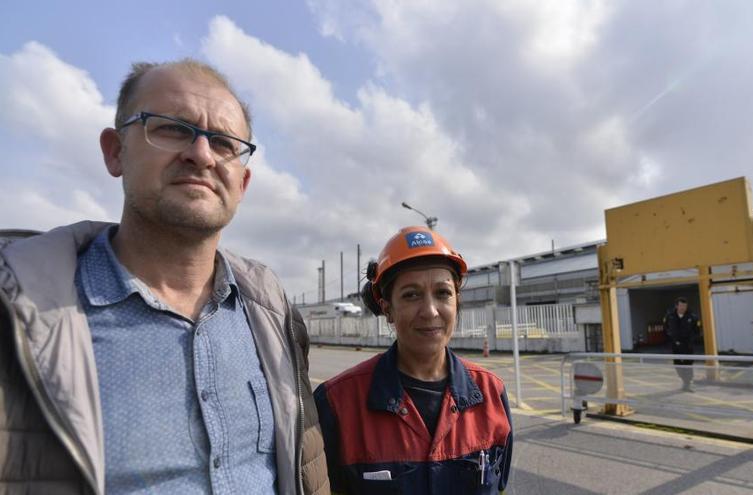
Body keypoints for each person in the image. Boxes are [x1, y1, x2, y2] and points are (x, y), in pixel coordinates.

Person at [0, 59, 328, 494]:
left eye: (224, 142)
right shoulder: (21, 313)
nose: (201, 154)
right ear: (115, 151)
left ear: (243, 182)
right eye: (172, 128)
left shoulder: (272, 316)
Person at [314, 226, 513, 494]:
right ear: (387, 309)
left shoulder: (491, 394)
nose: (430, 311)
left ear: (457, 301)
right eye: (411, 295)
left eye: (443, 293)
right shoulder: (336, 403)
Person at [663, 297, 701, 392]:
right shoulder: (670, 316)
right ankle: (684, 380)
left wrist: (691, 340)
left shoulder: (692, 316)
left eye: (685, 306)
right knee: (678, 364)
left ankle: (687, 383)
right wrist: (671, 338)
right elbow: (666, 327)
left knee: (688, 364)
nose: (683, 308)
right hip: (675, 345)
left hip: (688, 345)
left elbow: (697, 331)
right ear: (676, 306)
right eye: (681, 306)